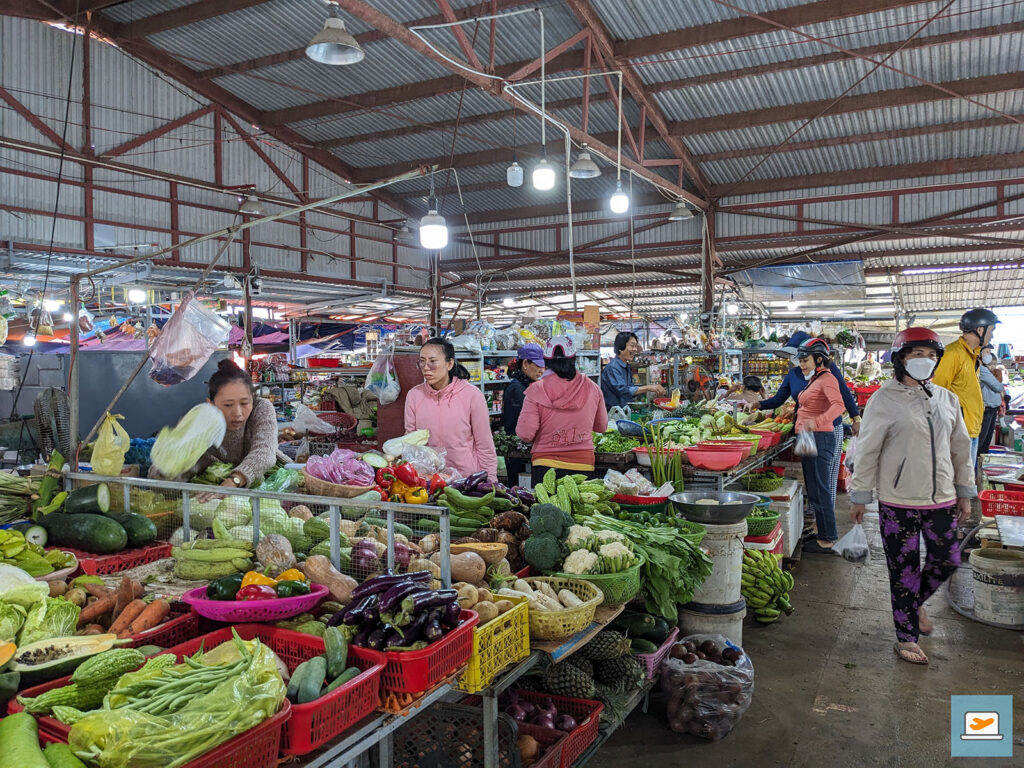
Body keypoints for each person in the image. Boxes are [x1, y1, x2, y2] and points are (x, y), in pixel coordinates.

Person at [849, 328, 975, 665]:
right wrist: (860, 495)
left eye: (931, 355)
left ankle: (913, 604)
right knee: (903, 569)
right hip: (898, 502)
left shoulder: (947, 398)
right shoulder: (883, 399)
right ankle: (906, 637)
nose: (926, 361)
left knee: (947, 559)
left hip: (943, 499)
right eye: (917, 354)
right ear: (901, 359)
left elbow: (961, 449)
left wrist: (965, 491)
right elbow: (868, 451)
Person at [752, 330, 861, 538]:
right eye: (795, 357)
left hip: (829, 429)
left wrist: (856, 417)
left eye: (801, 356)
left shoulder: (827, 370)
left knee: (825, 484)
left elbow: (843, 394)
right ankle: (820, 529)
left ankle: (827, 534)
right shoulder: (793, 374)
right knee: (813, 484)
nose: (797, 361)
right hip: (806, 432)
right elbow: (779, 399)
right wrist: (757, 404)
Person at [150, 359, 283, 496]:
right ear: (211, 404)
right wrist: (168, 468)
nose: (237, 413)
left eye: (244, 403)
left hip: (272, 483)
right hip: (220, 495)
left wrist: (234, 481)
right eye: (228, 405)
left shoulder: (261, 408)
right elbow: (165, 476)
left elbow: (265, 452)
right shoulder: (201, 424)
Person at [517, 336, 608, 486]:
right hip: (583, 465)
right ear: (574, 358)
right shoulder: (592, 388)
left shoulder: (536, 390)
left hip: (545, 466)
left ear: (546, 361)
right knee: (578, 510)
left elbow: (525, 434)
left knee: (547, 509)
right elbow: (601, 427)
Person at [405, 337, 498, 482]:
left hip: (466, 480)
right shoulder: (414, 396)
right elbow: (410, 444)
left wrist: (490, 481)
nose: (426, 367)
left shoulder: (472, 395)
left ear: (450, 364)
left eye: (433, 361)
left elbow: (484, 445)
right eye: (422, 361)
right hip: (428, 481)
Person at [793, 338, 847, 555]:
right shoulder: (814, 379)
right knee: (813, 488)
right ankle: (822, 531)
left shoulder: (828, 379)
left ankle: (828, 539)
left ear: (818, 359)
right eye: (800, 360)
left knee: (822, 488)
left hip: (819, 437)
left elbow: (839, 406)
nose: (801, 364)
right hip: (807, 437)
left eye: (805, 360)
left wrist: (818, 421)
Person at [932, 307, 1000, 464]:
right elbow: (936, 392)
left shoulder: (972, 356)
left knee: (966, 480)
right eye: (991, 330)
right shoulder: (953, 354)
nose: (992, 335)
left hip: (971, 429)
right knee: (958, 482)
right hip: (958, 433)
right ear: (980, 329)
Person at [501, 344, 545, 483]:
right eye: (538, 366)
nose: (541, 371)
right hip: (518, 453)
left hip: (524, 450)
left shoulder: (526, 385)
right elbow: (522, 423)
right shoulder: (517, 389)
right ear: (525, 364)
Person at [601, 331, 665, 409]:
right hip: (612, 415)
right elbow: (624, 391)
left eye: (635, 346)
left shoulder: (626, 366)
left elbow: (630, 389)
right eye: (632, 346)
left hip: (624, 411)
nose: (635, 349)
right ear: (621, 348)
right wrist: (649, 388)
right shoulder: (612, 368)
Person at [978, 345, 1005, 455]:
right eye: (987, 352)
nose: (989, 354)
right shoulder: (982, 369)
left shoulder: (986, 370)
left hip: (992, 408)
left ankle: (980, 465)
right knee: (982, 440)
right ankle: (976, 466)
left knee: (986, 440)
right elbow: (998, 386)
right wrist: (999, 385)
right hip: (987, 408)